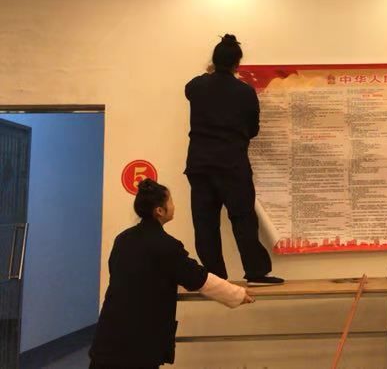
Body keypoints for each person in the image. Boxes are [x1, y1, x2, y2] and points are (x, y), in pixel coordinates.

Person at [89, 179, 255, 369]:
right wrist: (238, 295)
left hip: (109, 333)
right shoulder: (166, 245)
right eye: (171, 201)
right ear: (160, 211)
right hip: (138, 343)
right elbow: (198, 278)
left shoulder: (123, 238)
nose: (174, 206)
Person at [185, 34, 283, 286]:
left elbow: (193, 87)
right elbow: (253, 130)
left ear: (213, 61)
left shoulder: (196, 86)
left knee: (205, 223)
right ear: (237, 64)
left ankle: (214, 277)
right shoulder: (245, 92)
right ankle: (256, 272)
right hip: (233, 165)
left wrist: (209, 73)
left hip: (200, 166)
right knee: (243, 219)